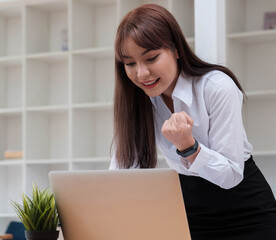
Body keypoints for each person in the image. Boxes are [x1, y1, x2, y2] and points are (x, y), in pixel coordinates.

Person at [109, 3, 276, 240]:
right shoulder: (137, 103)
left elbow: (230, 175)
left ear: (176, 49)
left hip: (247, 211)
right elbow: (122, 172)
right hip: (190, 212)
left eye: (151, 58)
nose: (141, 73)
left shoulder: (216, 87)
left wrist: (189, 147)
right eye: (130, 63)